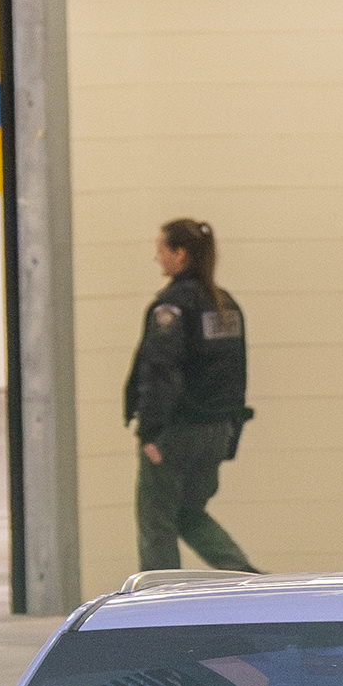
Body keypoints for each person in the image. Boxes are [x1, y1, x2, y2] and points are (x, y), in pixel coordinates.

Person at [128, 216, 257, 573]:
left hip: (176, 433)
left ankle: (160, 605)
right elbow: (237, 374)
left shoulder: (172, 308)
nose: (157, 258)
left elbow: (160, 373)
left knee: (157, 523)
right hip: (215, 431)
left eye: (161, 250)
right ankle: (247, 578)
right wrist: (229, 431)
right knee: (189, 513)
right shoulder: (225, 306)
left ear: (180, 254)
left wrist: (150, 433)